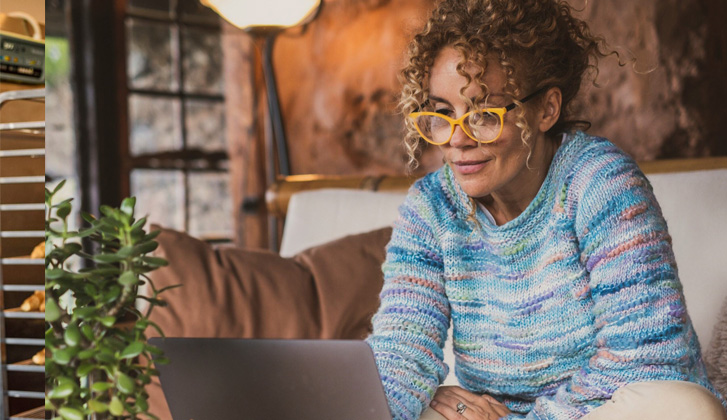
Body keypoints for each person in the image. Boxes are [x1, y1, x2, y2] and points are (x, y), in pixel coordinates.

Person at [364, 0, 727, 419]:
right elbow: (400, 353)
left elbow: (648, 358)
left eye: (483, 114)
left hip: (602, 411)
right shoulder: (431, 208)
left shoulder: (600, 183)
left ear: (547, 109)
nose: (457, 139)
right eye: (443, 114)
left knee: (685, 409)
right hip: (491, 414)